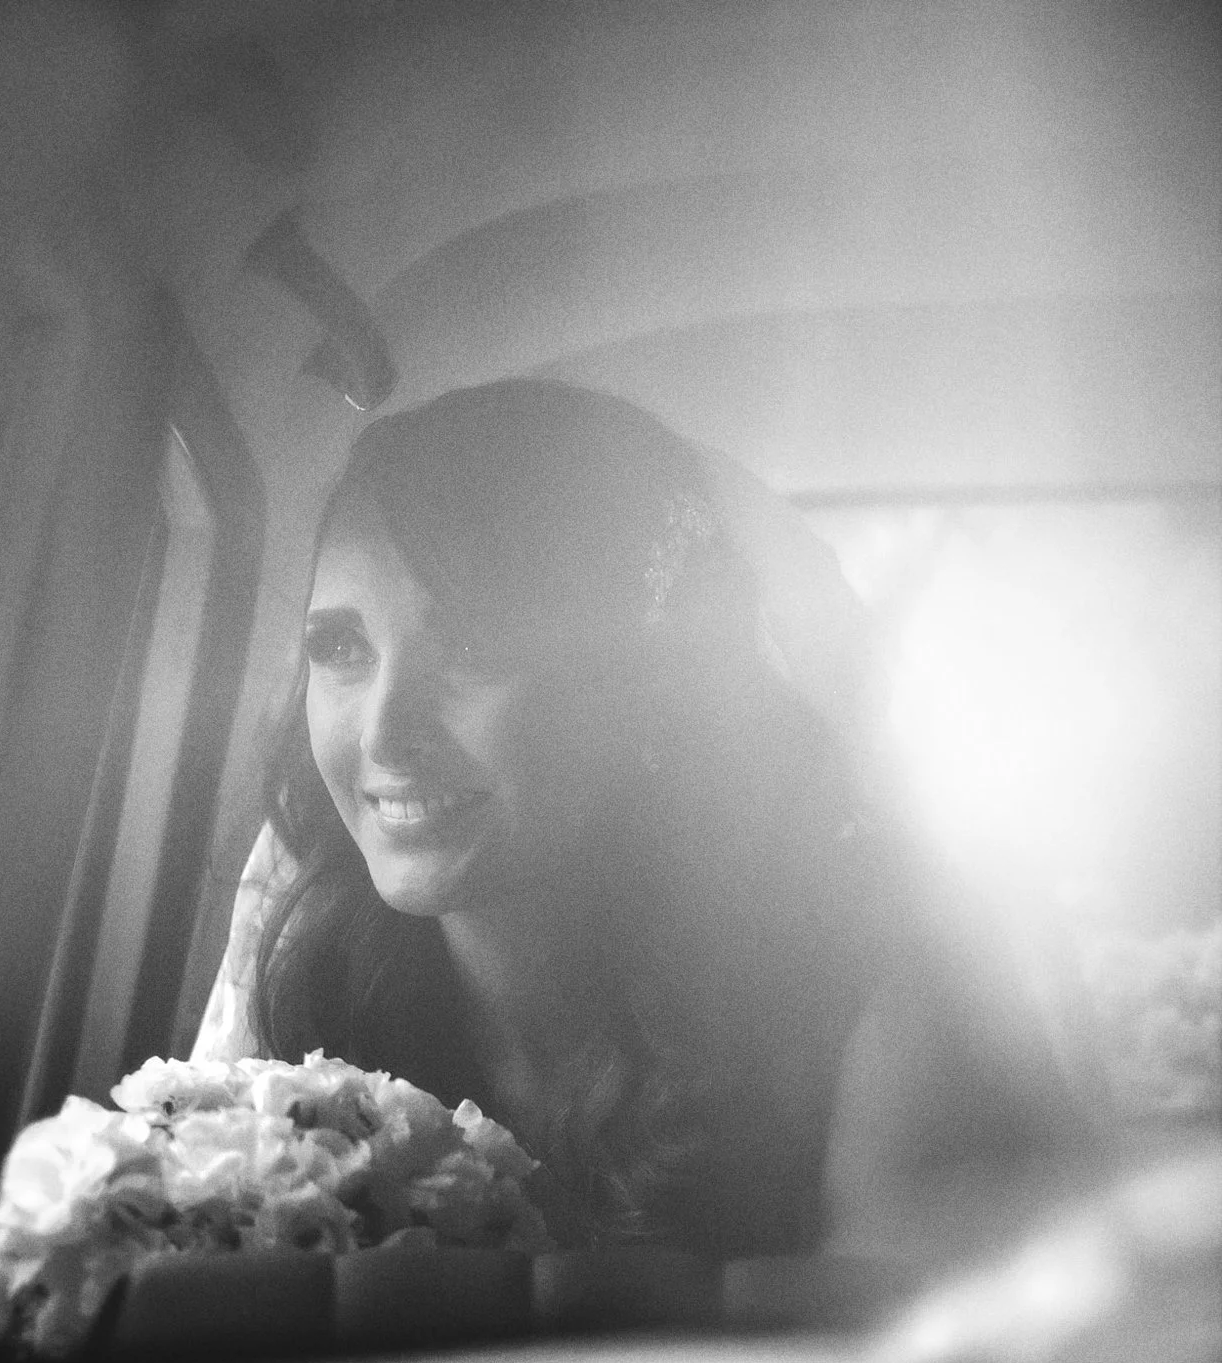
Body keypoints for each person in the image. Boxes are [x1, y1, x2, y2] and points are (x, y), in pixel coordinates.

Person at [192, 379, 1094, 1263]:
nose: (385, 731)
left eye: (472, 646)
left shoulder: (885, 1013)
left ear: (648, 686)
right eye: (340, 647)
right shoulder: (310, 963)